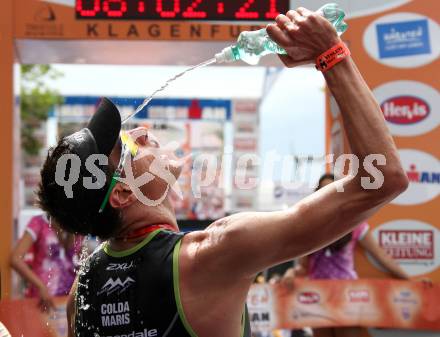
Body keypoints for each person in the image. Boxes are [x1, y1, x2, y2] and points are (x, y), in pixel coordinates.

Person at [37, 7, 409, 337]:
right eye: (128, 144)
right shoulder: (211, 255)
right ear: (122, 193)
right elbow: (382, 179)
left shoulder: (83, 289)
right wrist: (332, 54)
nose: (142, 131)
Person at [284, 173, 411, 337]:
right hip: (318, 296)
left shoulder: (354, 223)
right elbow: (304, 267)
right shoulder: (310, 229)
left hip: (348, 294)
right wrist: (290, 273)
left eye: (331, 190)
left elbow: (381, 256)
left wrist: (411, 281)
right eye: (322, 191)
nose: (326, 195)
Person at [10, 214, 82, 312]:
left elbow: (79, 261)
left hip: (68, 301)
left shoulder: (77, 226)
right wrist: (41, 287)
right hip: (43, 301)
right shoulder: (39, 222)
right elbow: (15, 259)